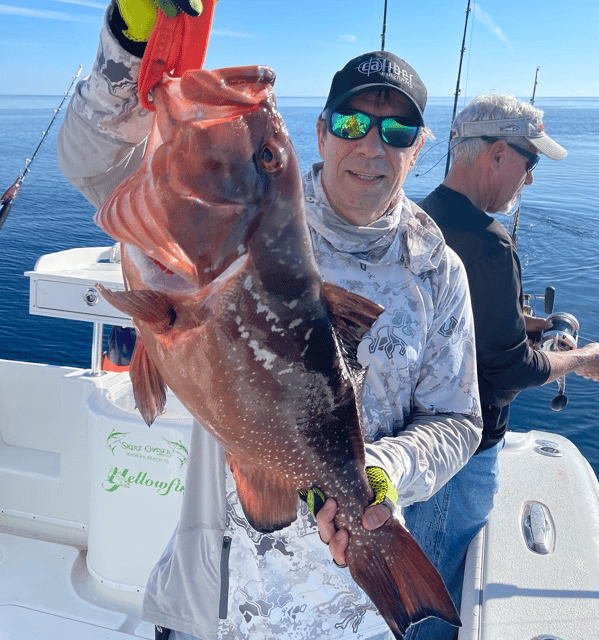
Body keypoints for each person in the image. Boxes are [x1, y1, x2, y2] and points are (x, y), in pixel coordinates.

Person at [57, 2, 483, 638]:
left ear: (418, 149)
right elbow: (93, 159)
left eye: (396, 132)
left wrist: (385, 469)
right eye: (352, 121)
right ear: (318, 132)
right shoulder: (233, 204)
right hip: (218, 598)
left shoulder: (438, 273)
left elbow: (461, 421)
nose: (371, 145)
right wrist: (131, 40)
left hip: (349, 615)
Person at [402, 93, 599, 640]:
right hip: (463, 452)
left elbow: (458, 323)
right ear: (498, 154)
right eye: (530, 162)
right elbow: (507, 371)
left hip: (413, 443)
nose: (529, 179)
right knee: (436, 592)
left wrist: (534, 327)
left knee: (408, 584)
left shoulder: (419, 216)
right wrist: (579, 359)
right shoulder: (490, 241)